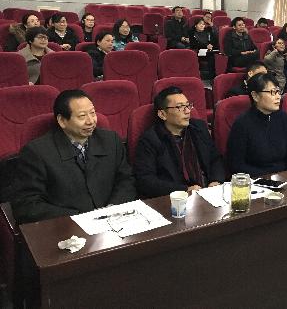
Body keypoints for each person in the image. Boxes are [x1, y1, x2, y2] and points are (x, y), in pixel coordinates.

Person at [11, 89, 136, 224]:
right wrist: (80, 217)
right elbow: (27, 205)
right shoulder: (37, 152)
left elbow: (126, 180)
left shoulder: (111, 140)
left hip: (115, 220)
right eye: (82, 116)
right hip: (66, 226)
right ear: (62, 121)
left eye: (93, 113)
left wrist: (113, 208)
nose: (91, 121)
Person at [134, 87, 225, 198]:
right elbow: (146, 180)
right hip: (175, 199)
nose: (187, 111)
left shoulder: (199, 128)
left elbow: (215, 159)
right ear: (162, 114)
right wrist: (184, 190)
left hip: (208, 193)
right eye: (179, 107)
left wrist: (215, 181)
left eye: (188, 105)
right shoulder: (150, 140)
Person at [227, 73, 287, 177]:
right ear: (255, 96)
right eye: (272, 92)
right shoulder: (242, 123)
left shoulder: (283, 118)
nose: (278, 97)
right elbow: (236, 165)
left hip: (284, 177)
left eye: (278, 91)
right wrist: (268, 178)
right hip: (256, 180)